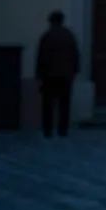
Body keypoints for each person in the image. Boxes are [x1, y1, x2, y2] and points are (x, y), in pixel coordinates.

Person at [35, 10, 80, 138]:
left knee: (48, 105)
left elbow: (41, 57)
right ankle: (63, 130)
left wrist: (39, 75)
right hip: (66, 76)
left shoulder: (47, 36)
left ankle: (47, 130)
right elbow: (75, 55)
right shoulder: (69, 35)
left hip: (50, 76)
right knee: (64, 104)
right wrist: (74, 72)